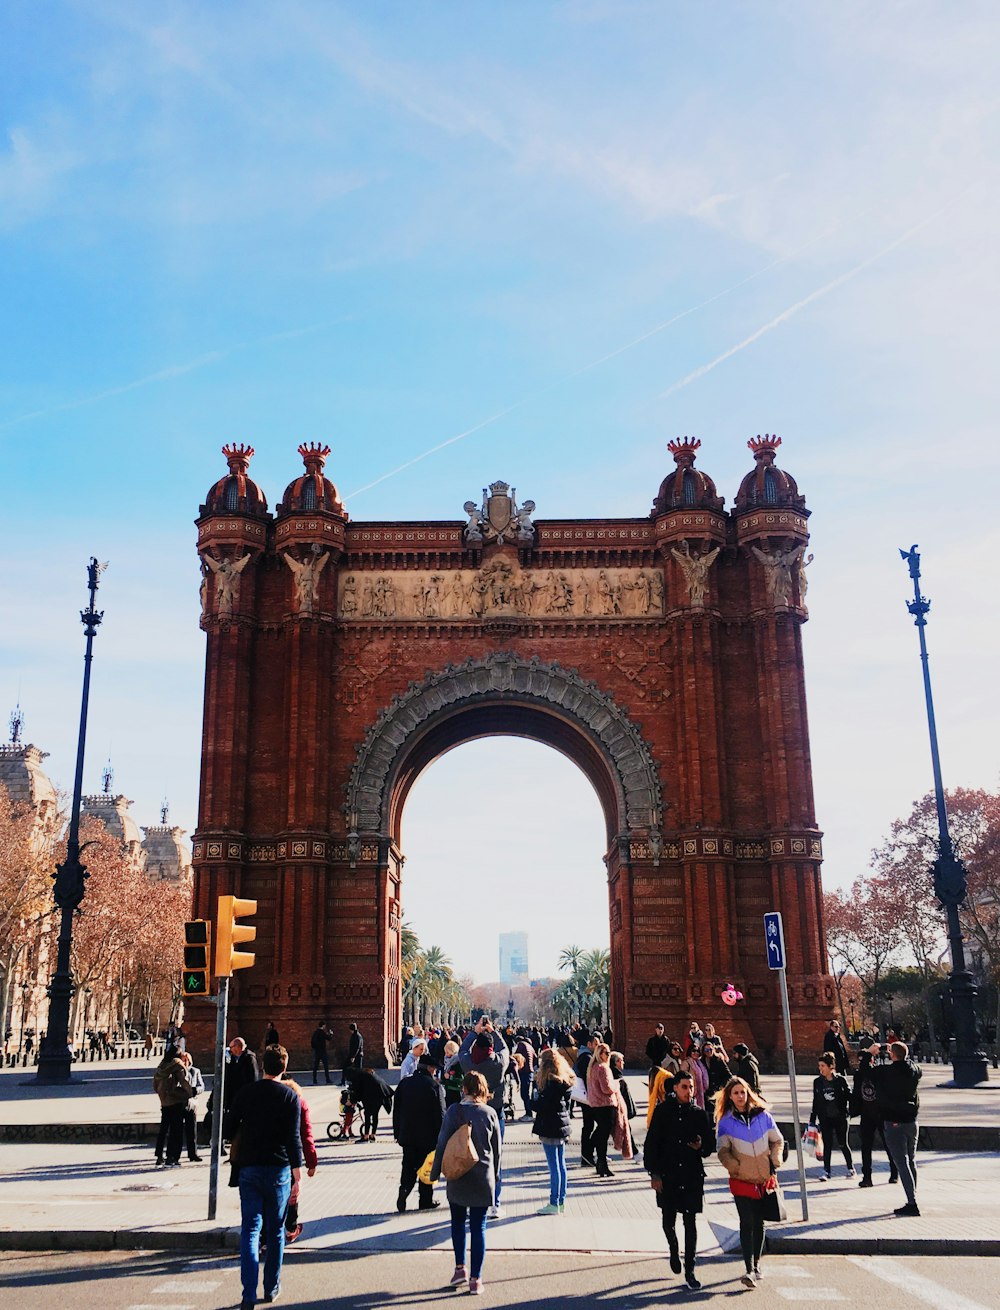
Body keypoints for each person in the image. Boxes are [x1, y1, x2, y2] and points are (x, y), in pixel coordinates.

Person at [223, 1044, 303, 1310]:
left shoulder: (247, 1093)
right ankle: (271, 1288)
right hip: (279, 1170)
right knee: (276, 1231)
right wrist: (297, 1170)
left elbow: (228, 1128)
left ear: (263, 1066)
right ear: (284, 1067)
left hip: (249, 1168)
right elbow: (293, 1138)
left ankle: (248, 1294)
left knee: (250, 1231)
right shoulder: (289, 1096)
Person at [430, 1070, 502, 1296]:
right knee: (479, 1227)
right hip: (482, 1177)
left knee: (458, 1222)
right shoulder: (490, 1113)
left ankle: (460, 1268)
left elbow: (442, 1144)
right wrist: (496, 1177)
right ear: (482, 1089)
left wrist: (434, 1173)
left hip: (457, 1174)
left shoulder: (453, 1112)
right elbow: (497, 1151)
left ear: (464, 1089)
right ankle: (476, 1279)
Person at [644, 1069, 716, 1290]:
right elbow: (651, 1144)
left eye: (691, 1087)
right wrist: (654, 1173)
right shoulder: (663, 1111)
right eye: (684, 1087)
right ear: (675, 1088)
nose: (689, 1091)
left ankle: (690, 1269)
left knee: (690, 1222)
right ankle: (674, 1249)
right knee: (668, 1221)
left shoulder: (698, 1113)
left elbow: (709, 1145)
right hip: (668, 1173)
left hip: (692, 1174)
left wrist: (701, 1147)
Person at [716, 1076, 784, 1289]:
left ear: (748, 1093)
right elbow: (722, 1151)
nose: (740, 1096)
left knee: (759, 1223)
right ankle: (748, 1269)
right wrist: (733, 1166)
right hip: (741, 1180)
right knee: (746, 1222)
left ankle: (756, 1264)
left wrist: (775, 1159)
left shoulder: (763, 1116)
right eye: (735, 1093)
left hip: (764, 1179)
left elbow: (777, 1140)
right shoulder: (726, 1122)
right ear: (729, 1096)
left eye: (742, 1092)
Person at [458, 1022, 510, 1216]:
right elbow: (505, 1048)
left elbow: (462, 1049)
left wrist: (474, 1032)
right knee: (495, 1157)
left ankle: (473, 1202)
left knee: (471, 1157)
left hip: (469, 1115)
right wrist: (494, 1032)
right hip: (495, 1113)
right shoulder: (498, 1062)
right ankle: (494, 1203)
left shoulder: (468, 1062)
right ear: (491, 1047)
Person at [870, 1040, 922, 1216]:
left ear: (892, 1055)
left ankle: (912, 1202)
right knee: (911, 1160)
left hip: (894, 1121)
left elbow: (866, 1072)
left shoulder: (887, 1071)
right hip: (911, 1121)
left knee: (901, 1162)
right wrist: (895, 1050)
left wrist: (872, 1053)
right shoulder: (914, 1070)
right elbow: (911, 1063)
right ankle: (913, 1197)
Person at [393, 1052, 446, 1212]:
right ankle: (425, 1200)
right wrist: (442, 1137)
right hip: (428, 1137)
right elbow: (441, 1113)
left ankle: (404, 1192)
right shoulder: (434, 1086)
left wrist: (398, 1132)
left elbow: (397, 1110)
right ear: (430, 1068)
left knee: (408, 1165)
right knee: (426, 1167)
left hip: (407, 1135)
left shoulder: (404, 1084)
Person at [531, 1047, 573, 1213]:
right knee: (561, 1164)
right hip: (562, 1125)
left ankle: (554, 1202)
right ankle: (561, 1200)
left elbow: (541, 1106)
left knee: (554, 1166)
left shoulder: (550, 1084)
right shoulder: (563, 1082)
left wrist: (534, 1098)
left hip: (549, 1126)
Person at [850, 1049, 897, 1187]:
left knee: (888, 1144)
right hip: (866, 1114)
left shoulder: (879, 1072)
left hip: (882, 1113)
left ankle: (894, 1173)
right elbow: (856, 1092)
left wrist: (870, 1053)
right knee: (866, 1146)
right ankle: (867, 1176)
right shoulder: (859, 1075)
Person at [281, 1073, 318, 1242]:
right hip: (291, 1157)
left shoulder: (275, 1101)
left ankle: (268, 1236)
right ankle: (290, 1228)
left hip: (272, 1156)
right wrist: (311, 1162)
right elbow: (306, 1134)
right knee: (293, 1193)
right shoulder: (300, 1104)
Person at [810, 1054, 854, 1180]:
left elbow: (849, 1096)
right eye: (819, 1066)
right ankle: (826, 1171)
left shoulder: (840, 1080)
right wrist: (813, 1119)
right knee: (827, 1144)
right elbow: (816, 1101)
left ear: (831, 1067)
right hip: (825, 1117)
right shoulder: (817, 1082)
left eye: (823, 1066)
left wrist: (851, 1110)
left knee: (843, 1143)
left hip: (840, 1117)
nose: (820, 1069)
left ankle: (851, 1168)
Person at [153, 1048, 193, 1167]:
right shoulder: (177, 1065)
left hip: (164, 1102)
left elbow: (155, 1085)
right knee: (176, 1130)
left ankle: (159, 1156)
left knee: (163, 1130)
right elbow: (184, 1081)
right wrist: (190, 1093)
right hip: (175, 1101)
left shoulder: (162, 1065)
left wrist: (162, 1094)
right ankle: (172, 1157)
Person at [585, 1042, 620, 1178]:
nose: (609, 1055)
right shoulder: (603, 1068)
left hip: (595, 1104)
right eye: (606, 1053)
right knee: (603, 1135)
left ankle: (601, 1163)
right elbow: (607, 1088)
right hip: (606, 1104)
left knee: (602, 1133)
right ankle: (601, 1162)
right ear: (599, 1054)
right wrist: (615, 1085)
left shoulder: (592, 1067)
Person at [574, 1032, 601, 1167]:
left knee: (590, 1125)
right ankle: (587, 1154)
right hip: (589, 1098)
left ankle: (590, 1154)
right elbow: (588, 1079)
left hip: (588, 1097)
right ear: (589, 1044)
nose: (597, 1046)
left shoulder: (585, 1056)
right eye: (595, 1044)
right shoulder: (586, 1058)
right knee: (594, 1126)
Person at [346, 1066, 394, 1142]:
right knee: (375, 1114)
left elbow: (357, 1092)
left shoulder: (356, 1077)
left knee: (367, 1114)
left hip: (374, 1095)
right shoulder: (364, 1073)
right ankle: (372, 1136)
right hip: (382, 1093)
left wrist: (351, 1101)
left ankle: (365, 1137)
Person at [179, 1051, 205, 1163]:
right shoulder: (177, 1071)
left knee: (192, 1130)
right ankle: (176, 1154)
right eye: (183, 1059)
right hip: (179, 1103)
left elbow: (201, 1085)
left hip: (192, 1103)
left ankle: (193, 1153)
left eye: (187, 1060)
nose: (185, 1062)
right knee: (178, 1130)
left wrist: (196, 1090)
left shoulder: (195, 1071)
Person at [702, 1042, 731, 1106]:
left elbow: (728, 1075)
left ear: (713, 1050)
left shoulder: (719, 1060)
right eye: (706, 1050)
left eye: (710, 1049)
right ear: (703, 1051)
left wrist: (721, 1087)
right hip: (706, 1091)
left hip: (718, 1090)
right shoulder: (701, 1061)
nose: (709, 1052)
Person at [514, 1031, 536, 1117]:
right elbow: (536, 1059)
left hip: (524, 1071)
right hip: (530, 1072)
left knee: (524, 1094)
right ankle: (529, 1111)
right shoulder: (531, 1047)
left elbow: (516, 1057)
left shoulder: (521, 1045)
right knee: (527, 1093)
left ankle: (528, 1113)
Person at [442, 1040, 464, 1107]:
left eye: (447, 1052)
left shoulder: (457, 1063)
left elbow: (461, 1079)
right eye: (445, 1052)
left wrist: (450, 1077)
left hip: (455, 1091)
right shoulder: (447, 1062)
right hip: (448, 1089)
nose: (446, 1054)